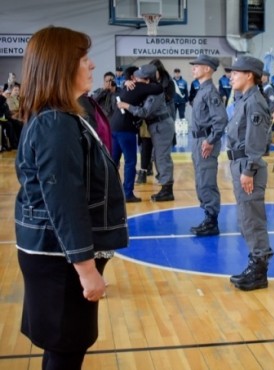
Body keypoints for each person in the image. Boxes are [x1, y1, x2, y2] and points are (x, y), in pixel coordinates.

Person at [15, 26, 128, 369]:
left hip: (55, 254)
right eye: (83, 58)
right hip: (59, 260)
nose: (92, 65)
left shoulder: (61, 117)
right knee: (65, 350)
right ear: (61, 65)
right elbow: (65, 201)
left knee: (61, 347)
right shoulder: (57, 124)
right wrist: (85, 269)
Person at [226, 56, 274, 291]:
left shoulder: (255, 102)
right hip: (240, 165)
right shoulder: (243, 99)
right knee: (246, 219)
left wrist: (248, 170)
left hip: (248, 167)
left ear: (249, 75)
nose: (231, 76)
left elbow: (255, 142)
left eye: (236, 72)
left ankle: (259, 271)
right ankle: (255, 264)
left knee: (253, 221)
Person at [117, 64, 176, 202]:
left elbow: (144, 112)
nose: (136, 79)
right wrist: (127, 82)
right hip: (156, 126)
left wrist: (126, 106)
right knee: (157, 156)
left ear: (148, 80)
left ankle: (167, 190)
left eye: (139, 78)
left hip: (162, 126)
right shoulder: (147, 89)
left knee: (162, 157)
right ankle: (165, 186)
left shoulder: (155, 94)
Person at [189, 54, 228, 236]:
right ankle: (208, 217)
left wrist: (210, 140)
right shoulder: (201, 90)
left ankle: (212, 222)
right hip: (198, 141)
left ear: (207, 69)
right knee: (200, 181)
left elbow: (220, 120)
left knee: (207, 182)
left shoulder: (210, 92)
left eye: (197, 65)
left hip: (206, 142)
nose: (193, 68)